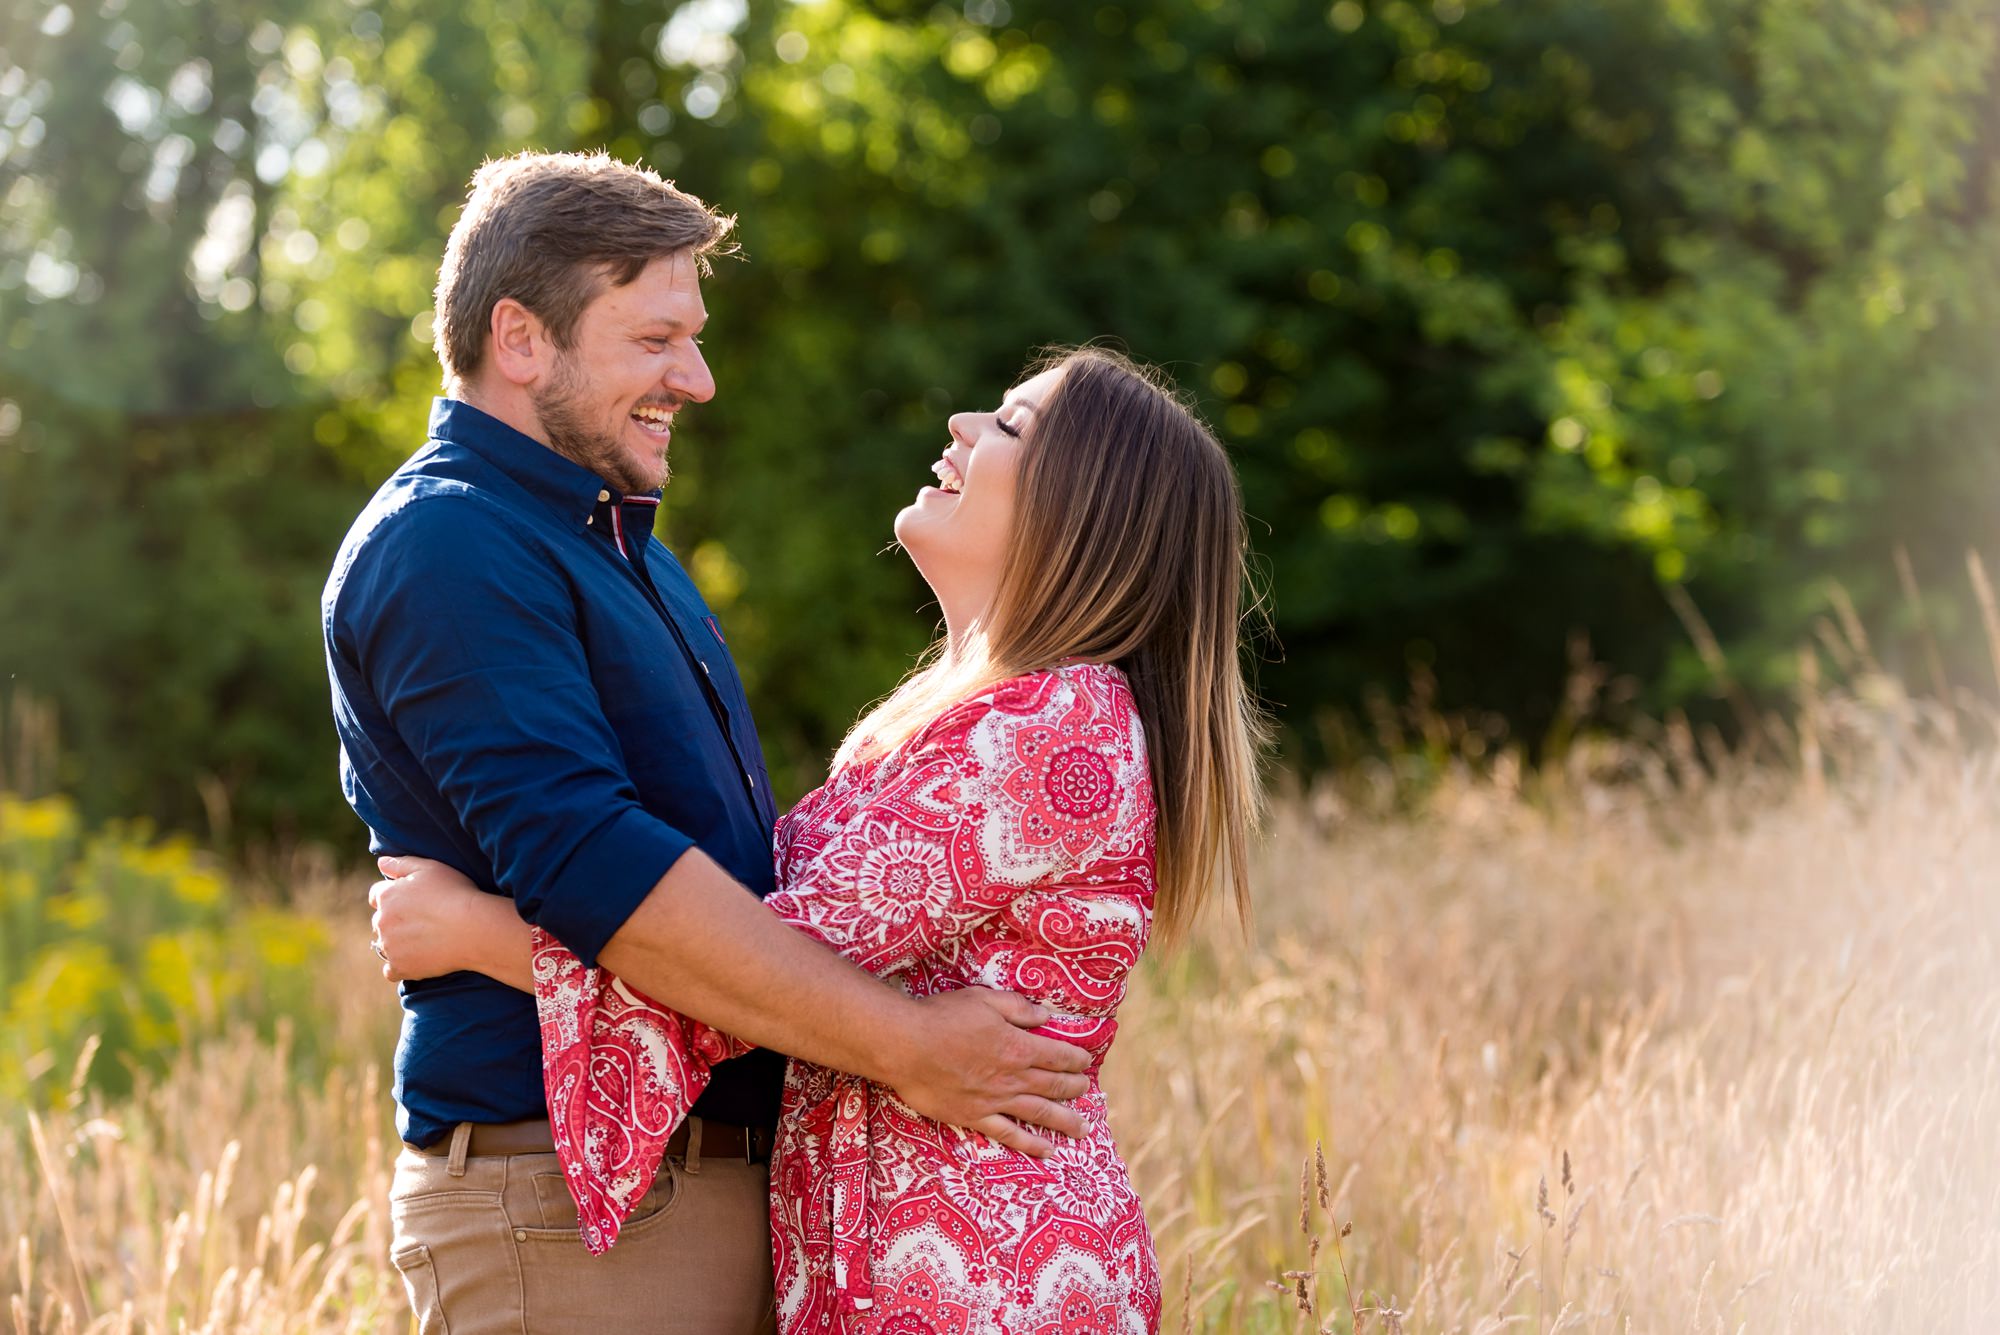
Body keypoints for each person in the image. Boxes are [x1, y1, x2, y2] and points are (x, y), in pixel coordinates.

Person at [322, 150, 1097, 1335]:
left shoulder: (622, 550)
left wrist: (479, 937)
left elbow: (761, 894)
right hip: (579, 1202)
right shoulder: (453, 546)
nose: (697, 378)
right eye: (654, 339)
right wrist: (908, 1046)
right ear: (520, 339)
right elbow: (598, 871)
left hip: (708, 1190)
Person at [373, 345, 1268, 1333]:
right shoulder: (967, 720)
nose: (962, 427)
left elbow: (761, 967)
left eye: (1009, 426)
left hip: (989, 1281)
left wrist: (470, 934)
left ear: (1089, 513)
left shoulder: (1052, 734)